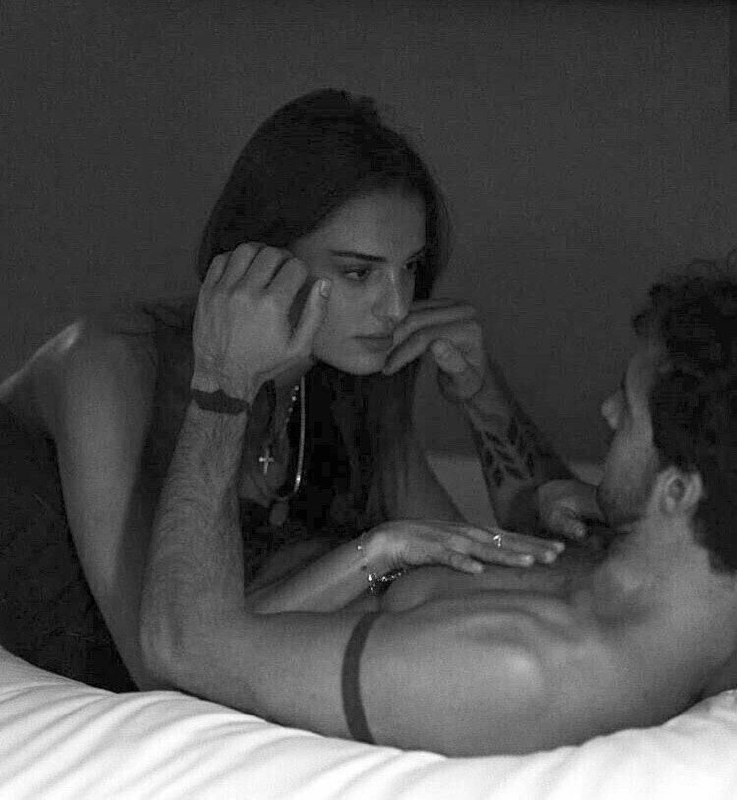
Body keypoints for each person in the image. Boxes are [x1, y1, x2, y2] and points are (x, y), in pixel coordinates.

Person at [0, 89, 566, 693]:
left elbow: (467, 563)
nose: (397, 307)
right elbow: (161, 659)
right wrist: (376, 553)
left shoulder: (352, 373)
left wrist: (484, 398)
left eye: (409, 268)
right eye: (359, 272)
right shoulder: (108, 364)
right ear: (258, 260)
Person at [140, 261, 737, 756]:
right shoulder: (660, 572)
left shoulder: (511, 670)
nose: (606, 411)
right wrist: (483, 398)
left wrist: (223, 383)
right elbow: (554, 501)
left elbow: (181, 648)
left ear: (678, 492)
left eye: (628, 410)